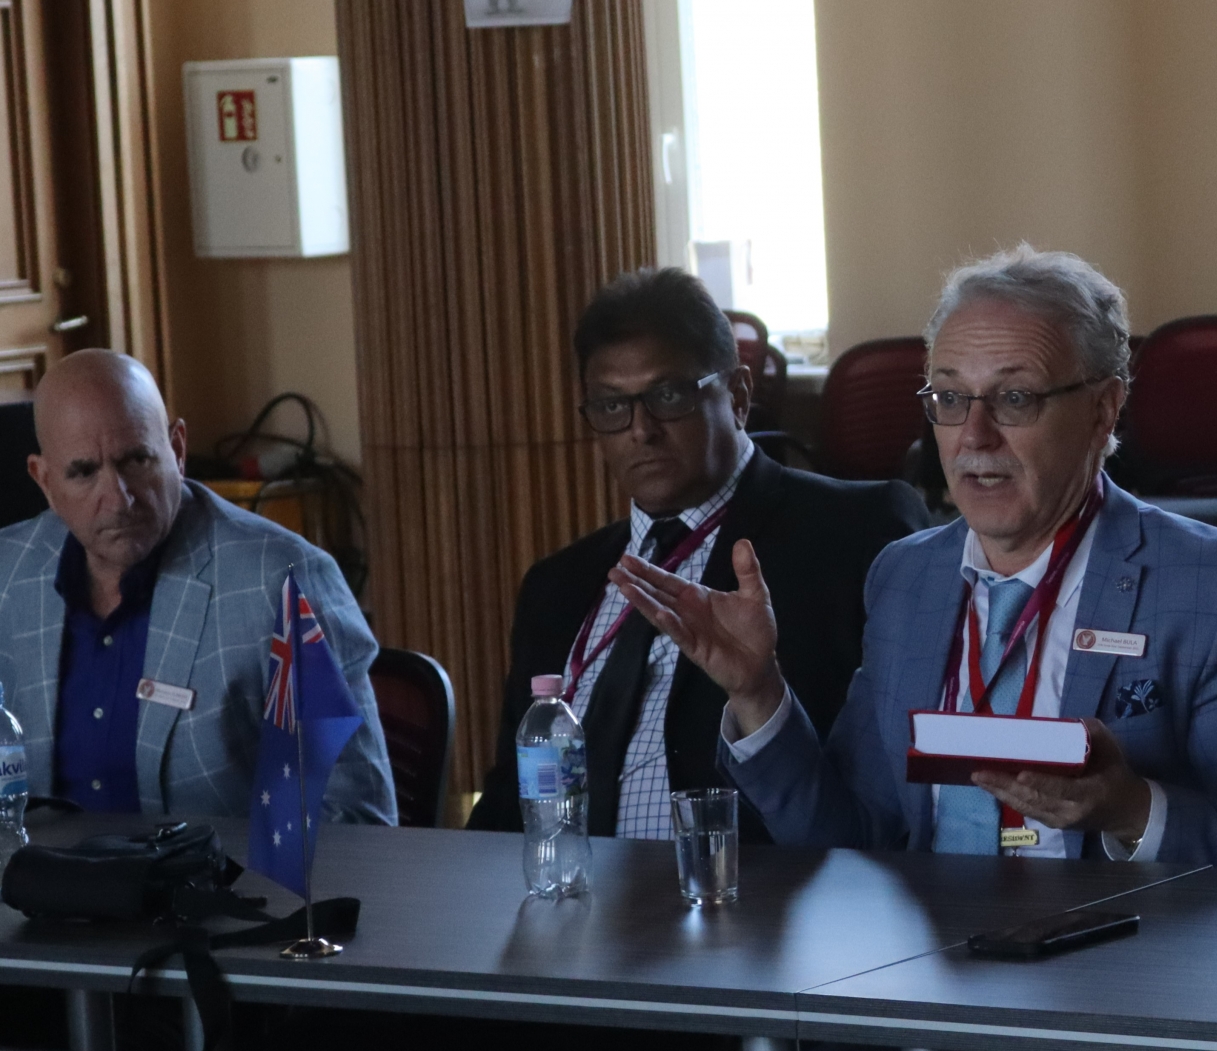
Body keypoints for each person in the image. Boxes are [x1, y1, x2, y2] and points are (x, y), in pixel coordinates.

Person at [613, 246, 1217, 868]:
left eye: (1014, 398)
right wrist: (759, 692)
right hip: (932, 966)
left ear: (1104, 409)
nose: (974, 436)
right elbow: (852, 835)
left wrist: (1130, 810)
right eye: (951, 398)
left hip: (1117, 962)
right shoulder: (906, 578)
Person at [467, 268, 928, 840]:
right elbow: (508, 801)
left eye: (668, 396)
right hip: (569, 889)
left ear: (737, 396)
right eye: (611, 406)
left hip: (761, 887)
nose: (640, 430)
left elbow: (894, 787)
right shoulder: (556, 585)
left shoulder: (856, 532)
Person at [0, 349, 395, 821]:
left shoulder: (280, 581)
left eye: (137, 460)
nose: (119, 500)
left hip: (227, 870)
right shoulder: (8, 573)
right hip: (39, 869)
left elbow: (358, 815)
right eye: (84, 472)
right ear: (44, 480)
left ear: (178, 449)